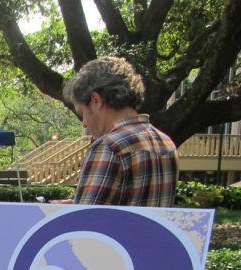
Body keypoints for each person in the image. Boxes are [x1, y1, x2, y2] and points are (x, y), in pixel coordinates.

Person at [63, 56, 178, 206]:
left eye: (82, 113)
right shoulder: (166, 142)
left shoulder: (109, 147)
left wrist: (68, 213)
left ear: (96, 99)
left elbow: (86, 221)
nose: (84, 124)